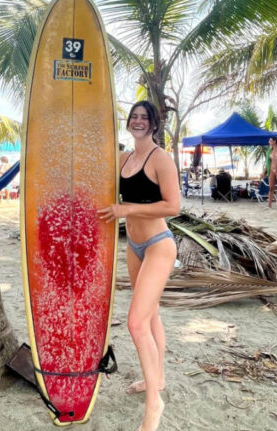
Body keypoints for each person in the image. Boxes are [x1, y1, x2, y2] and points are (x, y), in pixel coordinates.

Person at [98, 101, 180, 431]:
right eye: (134, 117)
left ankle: (153, 407)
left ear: (154, 124)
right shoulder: (123, 158)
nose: (138, 121)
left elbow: (173, 205)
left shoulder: (160, 159)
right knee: (151, 314)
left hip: (159, 246)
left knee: (135, 323)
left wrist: (127, 209)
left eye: (145, 118)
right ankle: (156, 380)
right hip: (133, 245)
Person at [266, 137, 277, 208]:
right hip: (271, 170)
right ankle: (269, 205)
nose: (269, 142)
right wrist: (264, 172)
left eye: (270, 140)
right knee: (271, 188)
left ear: (275, 141)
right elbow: (267, 162)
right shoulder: (269, 151)